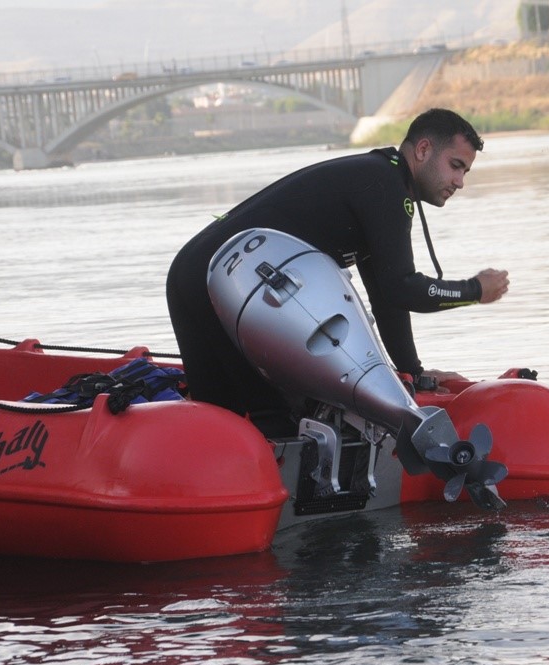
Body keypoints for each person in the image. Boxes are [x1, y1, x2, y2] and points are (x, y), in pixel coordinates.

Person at [166, 108, 509, 435]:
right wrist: (474, 290)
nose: (459, 181)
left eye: (464, 171)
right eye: (456, 166)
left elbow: (386, 298)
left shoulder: (378, 177)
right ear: (423, 150)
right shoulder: (384, 185)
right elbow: (402, 288)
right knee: (272, 417)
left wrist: (412, 371)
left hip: (194, 273)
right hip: (219, 287)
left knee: (219, 415)